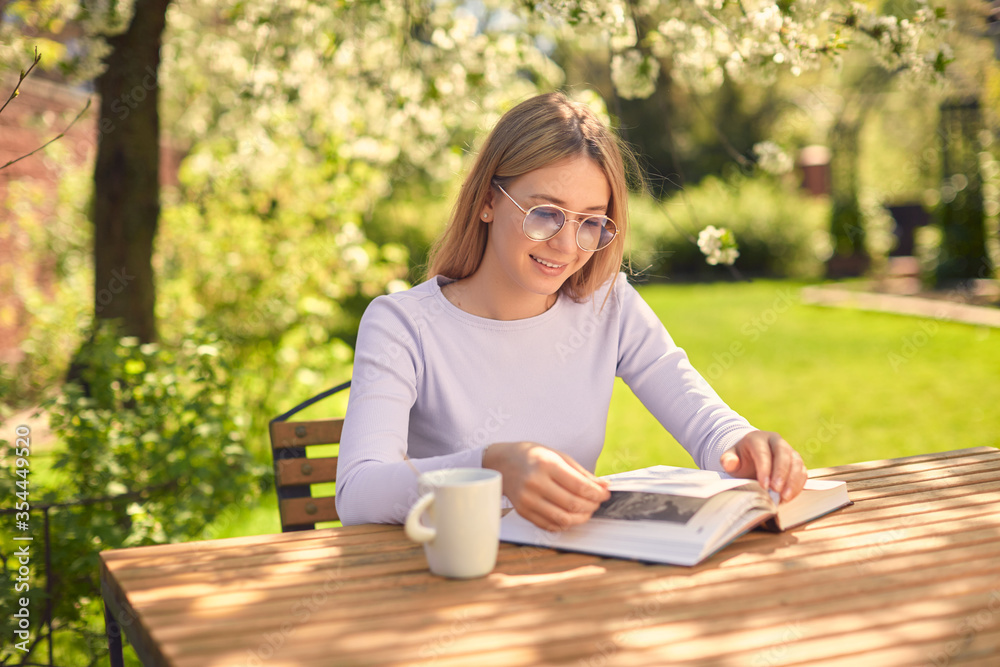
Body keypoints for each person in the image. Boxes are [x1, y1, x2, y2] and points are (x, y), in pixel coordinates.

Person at [335, 92, 807, 530]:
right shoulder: (402, 325)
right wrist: (491, 463)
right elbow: (358, 493)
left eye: (591, 223)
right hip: (450, 581)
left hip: (568, 578)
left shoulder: (609, 305)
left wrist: (741, 445)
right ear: (486, 202)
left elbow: (702, 417)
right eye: (545, 213)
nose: (566, 245)